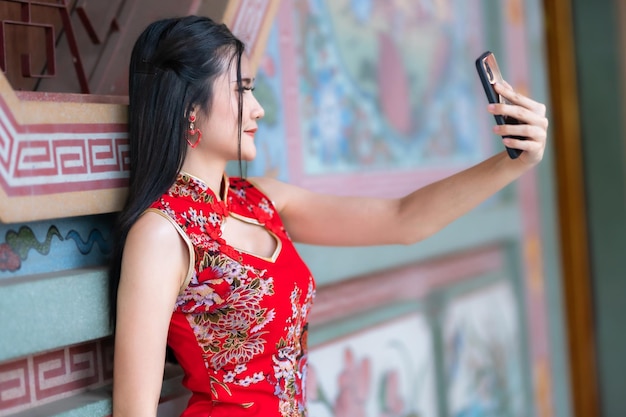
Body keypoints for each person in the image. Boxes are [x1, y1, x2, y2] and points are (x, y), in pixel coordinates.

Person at [108, 15, 548, 417]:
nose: (258, 108)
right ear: (190, 108)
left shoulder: (260, 202)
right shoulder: (163, 234)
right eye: (242, 90)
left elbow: (403, 218)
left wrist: (512, 163)